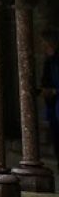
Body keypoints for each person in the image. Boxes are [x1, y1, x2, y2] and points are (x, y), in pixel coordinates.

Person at [41, 30, 59, 167]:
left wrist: (53, 91)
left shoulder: (55, 60)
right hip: (53, 106)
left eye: (44, 43)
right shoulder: (49, 61)